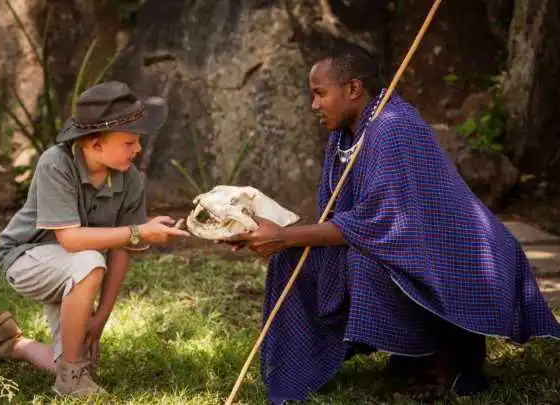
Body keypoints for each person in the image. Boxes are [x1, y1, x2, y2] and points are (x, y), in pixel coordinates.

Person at [227, 45, 560, 404]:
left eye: (320, 93)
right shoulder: (346, 135)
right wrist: (268, 235)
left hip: (454, 259)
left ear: (353, 89)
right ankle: (399, 354)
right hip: (396, 243)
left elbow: (379, 226)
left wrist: (286, 236)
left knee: (363, 262)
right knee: (295, 258)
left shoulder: (391, 127)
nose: (315, 106)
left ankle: (441, 360)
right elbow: (340, 218)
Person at [0, 81, 190, 397]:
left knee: (84, 362)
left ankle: (12, 344)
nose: (138, 149)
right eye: (129, 142)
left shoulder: (130, 179)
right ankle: (70, 379)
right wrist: (140, 231)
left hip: (74, 270)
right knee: (88, 260)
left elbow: (122, 250)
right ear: (94, 144)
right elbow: (71, 240)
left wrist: (100, 318)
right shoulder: (56, 163)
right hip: (27, 259)